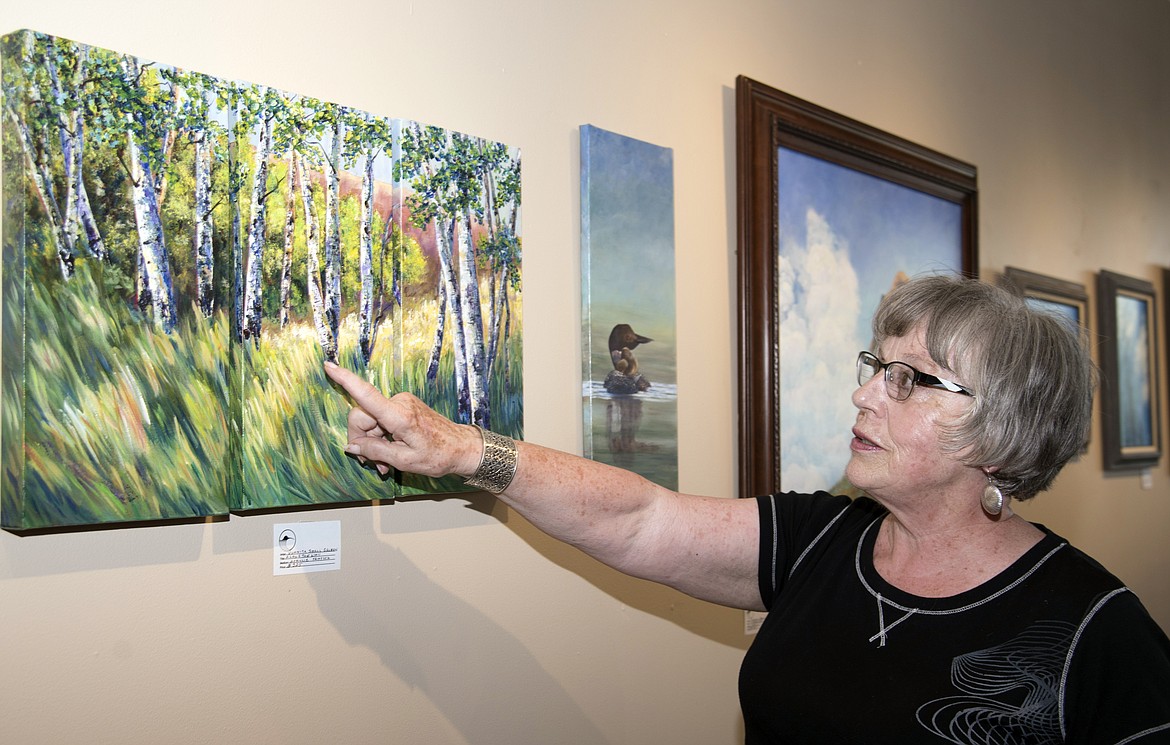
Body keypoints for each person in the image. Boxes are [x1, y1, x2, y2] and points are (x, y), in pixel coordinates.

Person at [324, 274, 1170, 743]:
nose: (864, 392)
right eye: (877, 363)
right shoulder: (821, 539)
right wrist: (465, 451)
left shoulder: (1101, 635)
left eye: (907, 380)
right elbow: (640, 519)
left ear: (1002, 427)